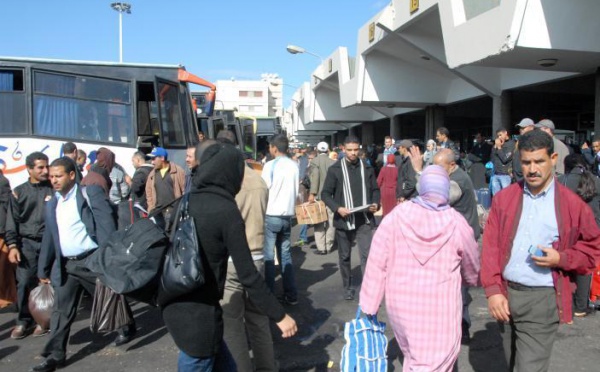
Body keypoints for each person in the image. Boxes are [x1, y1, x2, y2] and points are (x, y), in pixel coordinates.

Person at [161, 141, 297, 371]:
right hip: (200, 316)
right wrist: (280, 315)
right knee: (198, 361)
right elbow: (248, 275)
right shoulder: (225, 209)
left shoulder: (188, 199)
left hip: (178, 300)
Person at [481, 130, 600, 372]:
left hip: (542, 299)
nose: (532, 169)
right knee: (511, 364)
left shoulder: (572, 205)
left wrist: (562, 258)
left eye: (539, 161)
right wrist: (493, 290)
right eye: (526, 162)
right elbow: (490, 247)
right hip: (505, 295)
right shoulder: (505, 199)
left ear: (553, 158)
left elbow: (592, 251)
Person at [360, 165, 480, 371]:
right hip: (440, 309)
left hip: (401, 308)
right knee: (434, 363)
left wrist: (369, 305)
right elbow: (471, 264)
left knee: (413, 353)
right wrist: (470, 279)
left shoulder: (396, 216)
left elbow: (376, 262)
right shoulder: (456, 222)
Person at [32, 157, 135, 372]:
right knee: (61, 311)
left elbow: (106, 226)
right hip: (66, 266)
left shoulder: (90, 194)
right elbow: (50, 238)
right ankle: (55, 355)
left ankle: (126, 325)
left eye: (58, 176)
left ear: (71, 175)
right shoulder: (53, 203)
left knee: (109, 297)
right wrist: (43, 269)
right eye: (51, 176)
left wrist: (107, 258)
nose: (54, 180)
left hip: (91, 261)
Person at [220, 137, 278, 371]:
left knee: (232, 323)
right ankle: (268, 367)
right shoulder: (258, 179)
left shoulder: (227, 182)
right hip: (257, 256)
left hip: (233, 259)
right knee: (258, 318)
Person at [321, 135, 380, 300]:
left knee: (367, 255)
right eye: (350, 150)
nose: (353, 153)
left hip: (364, 219)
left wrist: (376, 203)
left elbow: (375, 189)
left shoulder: (367, 168)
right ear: (343, 149)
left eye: (356, 150)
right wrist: (337, 208)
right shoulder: (335, 169)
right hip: (344, 220)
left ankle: (369, 289)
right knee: (344, 256)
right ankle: (347, 286)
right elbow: (325, 194)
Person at [5, 152, 54, 339]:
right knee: (25, 282)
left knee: (49, 282)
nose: (45, 170)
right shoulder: (19, 192)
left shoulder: (53, 189)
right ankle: (23, 321)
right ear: (29, 169)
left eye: (46, 166)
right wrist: (13, 246)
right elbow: (12, 221)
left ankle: (44, 320)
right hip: (27, 244)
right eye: (40, 167)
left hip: (49, 244)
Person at [558, 154, 600, 318]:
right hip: (592, 226)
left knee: (565, 262)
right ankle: (581, 306)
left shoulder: (561, 180)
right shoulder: (595, 180)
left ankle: (564, 303)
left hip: (568, 227)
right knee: (585, 266)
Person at [261, 134, 299, 305]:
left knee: (268, 256)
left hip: (271, 214)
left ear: (274, 148)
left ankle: (269, 295)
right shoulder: (294, 165)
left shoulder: (270, 165)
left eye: (270, 147)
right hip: (287, 216)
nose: (269, 149)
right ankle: (291, 295)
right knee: (285, 255)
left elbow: (263, 190)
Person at [145, 147, 186, 234]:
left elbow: (184, 190)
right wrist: (151, 208)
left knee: (172, 235)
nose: (152, 162)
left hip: (173, 212)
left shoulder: (178, 171)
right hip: (157, 213)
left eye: (154, 158)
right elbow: (149, 193)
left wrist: (181, 209)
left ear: (162, 158)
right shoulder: (152, 174)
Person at [309, 142, 336, 255]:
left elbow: (315, 177)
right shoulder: (333, 163)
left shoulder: (315, 162)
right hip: (331, 196)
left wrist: (312, 193)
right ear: (328, 150)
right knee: (331, 221)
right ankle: (329, 245)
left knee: (319, 222)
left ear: (317, 150)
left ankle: (321, 247)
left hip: (319, 196)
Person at [0, 169, 16, 309]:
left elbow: (7, 206)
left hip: (1, 232)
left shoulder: (2, 181)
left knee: (3, 269)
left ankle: (5, 299)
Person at [490, 128, 515, 195]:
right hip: (495, 174)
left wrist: (499, 148)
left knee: (506, 196)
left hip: (505, 175)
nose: (499, 137)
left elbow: (505, 159)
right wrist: (495, 147)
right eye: (498, 136)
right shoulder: (498, 144)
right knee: (496, 197)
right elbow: (492, 159)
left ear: (505, 133)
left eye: (500, 135)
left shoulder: (511, 144)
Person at [512, 118, 535, 183]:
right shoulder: (519, 141)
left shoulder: (534, 142)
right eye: (520, 128)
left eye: (523, 128)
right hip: (516, 179)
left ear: (531, 127)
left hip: (526, 179)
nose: (521, 130)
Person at [377, 153, 398, 218]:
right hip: (394, 191)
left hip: (385, 190)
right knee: (393, 208)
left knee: (385, 208)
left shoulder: (383, 169)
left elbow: (379, 181)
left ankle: (385, 222)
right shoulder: (397, 169)